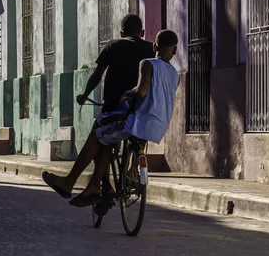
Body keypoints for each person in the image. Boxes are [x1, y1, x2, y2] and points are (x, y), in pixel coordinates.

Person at [44, 29, 180, 207]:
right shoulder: (175, 75)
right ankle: (115, 179)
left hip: (137, 122)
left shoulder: (147, 63)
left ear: (155, 45)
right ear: (175, 51)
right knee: (111, 139)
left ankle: (69, 182)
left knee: (97, 136)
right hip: (158, 127)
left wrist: (126, 94)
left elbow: (141, 91)